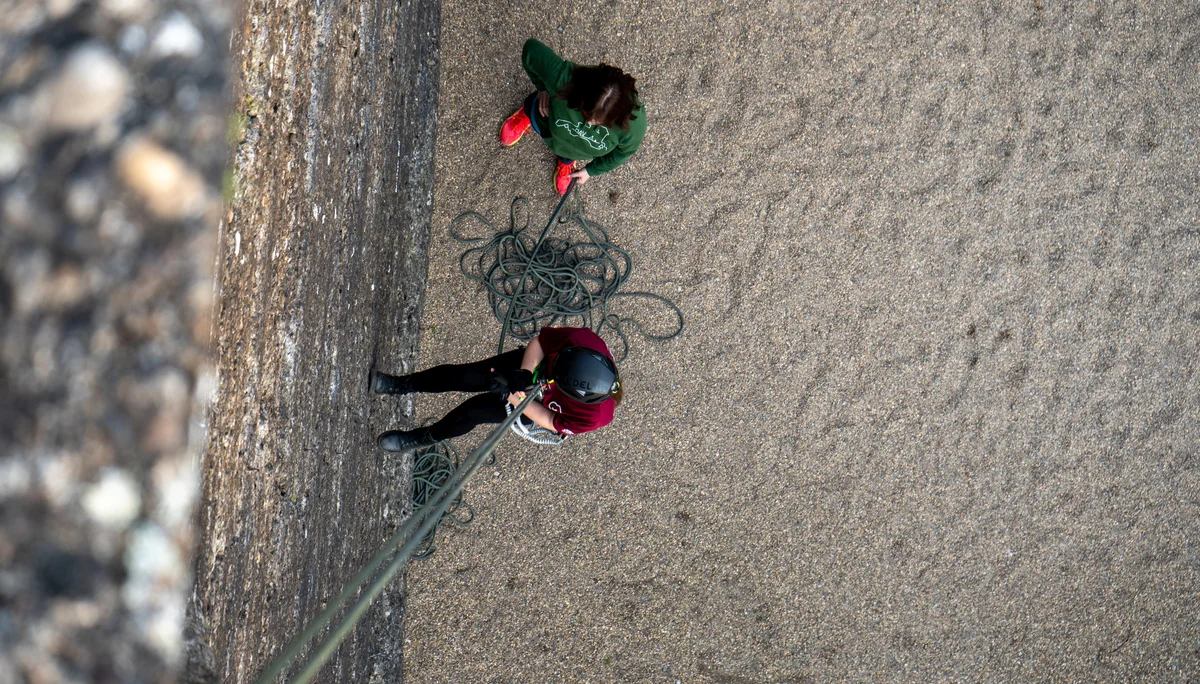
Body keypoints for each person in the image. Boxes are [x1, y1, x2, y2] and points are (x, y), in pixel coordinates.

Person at [371, 327, 621, 451]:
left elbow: (551, 420)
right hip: (528, 367)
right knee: (463, 376)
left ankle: (423, 438)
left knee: (471, 413)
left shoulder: (594, 417)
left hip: (533, 406)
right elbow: (540, 342)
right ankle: (400, 385)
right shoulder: (583, 341)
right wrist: (524, 372)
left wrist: (513, 396)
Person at [499, 38, 646, 195]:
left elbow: (623, 153)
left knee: (567, 154)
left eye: (598, 122)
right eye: (585, 113)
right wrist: (542, 88)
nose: (588, 123)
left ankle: (566, 162)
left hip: (574, 150)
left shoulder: (635, 126)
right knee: (535, 109)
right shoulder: (565, 79)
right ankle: (526, 114)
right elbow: (531, 50)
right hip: (547, 120)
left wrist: (591, 170)